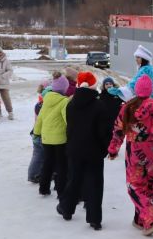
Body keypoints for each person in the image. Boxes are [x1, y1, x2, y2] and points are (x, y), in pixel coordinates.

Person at [108, 77, 153, 236]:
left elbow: (118, 130)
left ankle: (151, 220)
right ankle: (141, 219)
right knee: (148, 184)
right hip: (152, 150)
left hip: (135, 151)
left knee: (134, 185)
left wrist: (113, 149)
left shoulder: (127, 108)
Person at [57, 72, 111, 230]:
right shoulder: (99, 106)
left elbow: (69, 128)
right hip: (94, 151)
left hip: (75, 149)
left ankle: (67, 209)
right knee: (95, 184)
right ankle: (94, 219)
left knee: (74, 179)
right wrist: (104, 149)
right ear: (94, 85)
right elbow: (104, 132)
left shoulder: (70, 104)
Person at [33, 75, 71, 198]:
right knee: (61, 165)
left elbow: (40, 119)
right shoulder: (64, 101)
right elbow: (67, 119)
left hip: (46, 138)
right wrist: (72, 131)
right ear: (64, 89)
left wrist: (36, 133)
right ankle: (61, 190)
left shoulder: (46, 99)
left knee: (48, 162)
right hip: (60, 139)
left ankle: (43, 188)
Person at [27, 79, 50, 182]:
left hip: (36, 132)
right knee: (39, 155)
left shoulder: (39, 103)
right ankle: (34, 175)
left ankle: (34, 173)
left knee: (37, 155)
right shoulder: (44, 105)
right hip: (41, 133)